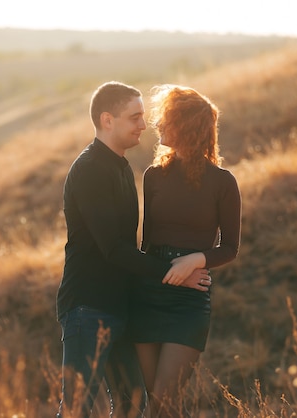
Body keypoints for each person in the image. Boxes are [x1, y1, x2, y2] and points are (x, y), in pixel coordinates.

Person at [56, 81, 212, 418]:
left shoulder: (121, 166)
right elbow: (114, 249)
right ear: (107, 120)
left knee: (132, 403)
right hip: (88, 307)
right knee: (77, 408)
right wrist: (175, 275)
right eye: (135, 117)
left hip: (122, 308)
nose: (144, 125)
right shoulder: (90, 170)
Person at [129, 84, 242, 418]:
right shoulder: (153, 176)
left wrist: (197, 259)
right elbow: (147, 245)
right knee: (157, 403)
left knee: (163, 400)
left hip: (188, 302)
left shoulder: (223, 182)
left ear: (187, 126)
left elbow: (231, 247)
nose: (158, 125)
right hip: (149, 292)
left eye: (166, 119)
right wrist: (157, 275)